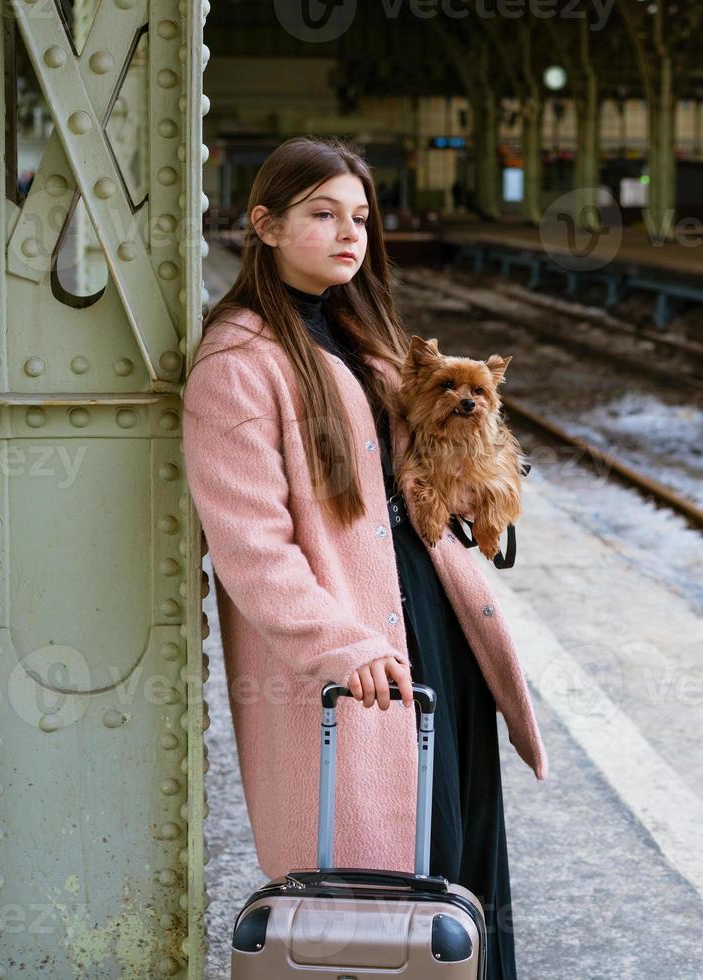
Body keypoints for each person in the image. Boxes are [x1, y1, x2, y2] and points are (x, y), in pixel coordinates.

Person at [181, 136, 546, 979]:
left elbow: (416, 475)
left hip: (436, 639)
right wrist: (340, 648)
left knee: (462, 874)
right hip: (360, 660)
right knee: (386, 890)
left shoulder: (369, 337)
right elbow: (252, 549)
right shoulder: (238, 363)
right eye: (322, 214)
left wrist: (480, 486)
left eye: (359, 216)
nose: (350, 233)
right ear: (264, 225)